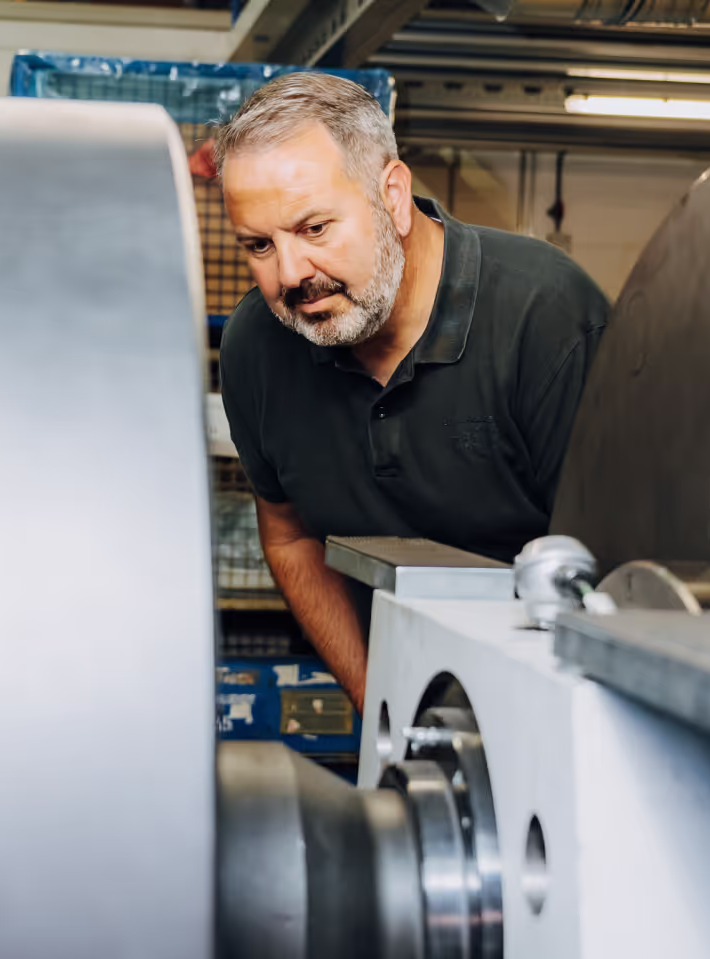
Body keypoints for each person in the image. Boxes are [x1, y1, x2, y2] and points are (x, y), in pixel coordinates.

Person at [213, 73, 611, 711]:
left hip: (560, 708)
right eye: (259, 245)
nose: (289, 276)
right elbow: (288, 537)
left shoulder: (547, 318)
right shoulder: (258, 347)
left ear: (393, 196)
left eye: (314, 229)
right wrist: (388, 712)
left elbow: (612, 572)